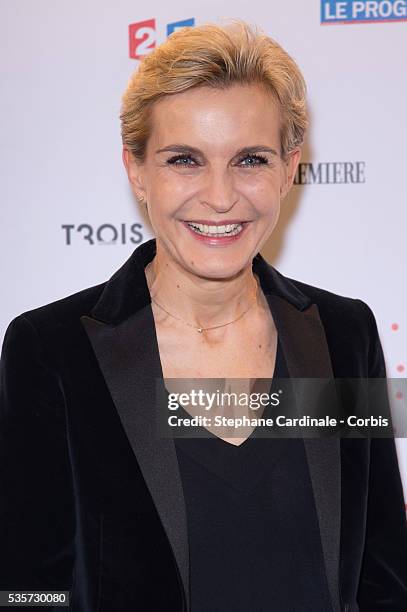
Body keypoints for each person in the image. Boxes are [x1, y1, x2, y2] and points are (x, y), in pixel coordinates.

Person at [1, 19, 406, 612]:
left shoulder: (344, 335)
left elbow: (383, 578)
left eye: (251, 159)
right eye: (185, 160)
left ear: (290, 167)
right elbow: (26, 591)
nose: (220, 196)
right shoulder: (53, 350)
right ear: (136, 169)